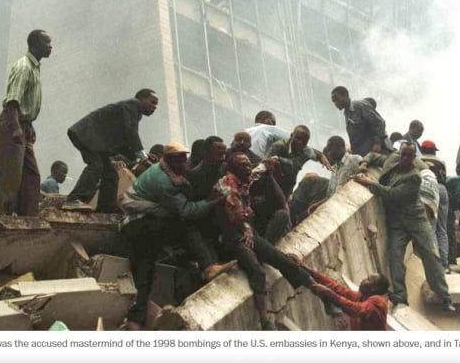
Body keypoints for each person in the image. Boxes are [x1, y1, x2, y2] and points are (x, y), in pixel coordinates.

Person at [213, 153, 341, 330]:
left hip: (248, 233)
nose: (249, 168)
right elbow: (236, 215)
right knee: (256, 270)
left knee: (281, 259)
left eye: (249, 165)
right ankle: (265, 321)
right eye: (244, 166)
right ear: (234, 169)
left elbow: (263, 171)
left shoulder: (245, 178)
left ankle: (320, 293)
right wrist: (247, 225)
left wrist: (269, 166)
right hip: (233, 238)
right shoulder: (228, 187)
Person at [119, 142, 235, 330]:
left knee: (145, 270)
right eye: (181, 160)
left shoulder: (167, 170)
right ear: (171, 159)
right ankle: (208, 266)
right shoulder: (163, 181)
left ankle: (135, 320)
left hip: (143, 222)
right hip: (139, 224)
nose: (185, 163)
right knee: (185, 226)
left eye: (186, 158)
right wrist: (212, 202)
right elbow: (186, 211)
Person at [353, 142, 455, 311]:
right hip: (397, 222)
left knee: (430, 253)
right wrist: (364, 164)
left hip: (416, 219)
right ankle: (400, 294)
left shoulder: (414, 177)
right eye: (403, 154)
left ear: (414, 158)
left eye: (409, 156)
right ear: (399, 154)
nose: (405, 158)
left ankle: (444, 296)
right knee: (395, 257)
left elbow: (392, 194)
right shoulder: (391, 160)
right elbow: (372, 155)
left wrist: (368, 183)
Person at [63, 88, 158, 211]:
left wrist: (142, 155)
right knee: (96, 166)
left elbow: (126, 141)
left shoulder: (133, 112)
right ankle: (74, 199)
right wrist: (143, 157)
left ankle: (105, 208)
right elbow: (131, 132)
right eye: (153, 102)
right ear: (141, 99)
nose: (155, 107)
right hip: (87, 135)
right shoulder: (133, 104)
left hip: (95, 141)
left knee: (110, 174)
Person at [0, 30, 52, 216]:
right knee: (11, 177)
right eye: (47, 42)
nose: (51, 46)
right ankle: (4, 218)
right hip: (13, 122)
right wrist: (16, 128)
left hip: (23, 123)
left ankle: (28, 218)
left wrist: (28, 126)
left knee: (32, 175)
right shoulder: (24, 67)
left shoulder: (35, 67)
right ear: (35, 44)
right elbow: (13, 101)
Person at [288, 253, 389, 331]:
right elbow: (337, 288)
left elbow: (356, 309)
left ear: (374, 289)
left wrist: (330, 294)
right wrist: (306, 268)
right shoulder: (362, 297)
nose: (363, 280)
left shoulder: (378, 302)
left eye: (368, 280)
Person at [293, 135, 362, 220]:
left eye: (331, 150)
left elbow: (364, 165)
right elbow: (330, 195)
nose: (329, 154)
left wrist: (363, 168)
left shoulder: (353, 159)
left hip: (344, 206)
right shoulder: (335, 169)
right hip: (332, 204)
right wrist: (317, 205)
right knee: (303, 216)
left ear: (341, 148)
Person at [266, 125, 332, 197]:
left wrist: (322, 156)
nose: (300, 142)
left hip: (286, 190)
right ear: (291, 136)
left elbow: (295, 165)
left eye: (304, 141)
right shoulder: (278, 146)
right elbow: (266, 164)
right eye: (298, 138)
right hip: (270, 186)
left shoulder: (305, 151)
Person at [330, 86, 388, 157]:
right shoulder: (347, 113)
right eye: (334, 101)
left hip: (377, 153)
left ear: (345, 95)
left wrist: (377, 143)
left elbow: (379, 122)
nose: (336, 103)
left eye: (337, 100)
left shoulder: (359, 105)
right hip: (364, 155)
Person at [420, 140, 450, 268]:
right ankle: (444, 263)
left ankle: (434, 264)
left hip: (428, 189)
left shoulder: (418, 160)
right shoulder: (441, 162)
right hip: (442, 189)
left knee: (430, 227)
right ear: (433, 151)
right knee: (442, 229)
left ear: (422, 149)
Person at [188, 135, 227, 201]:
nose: (223, 153)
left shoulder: (225, 168)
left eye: (224, 149)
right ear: (206, 152)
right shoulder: (196, 174)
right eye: (219, 150)